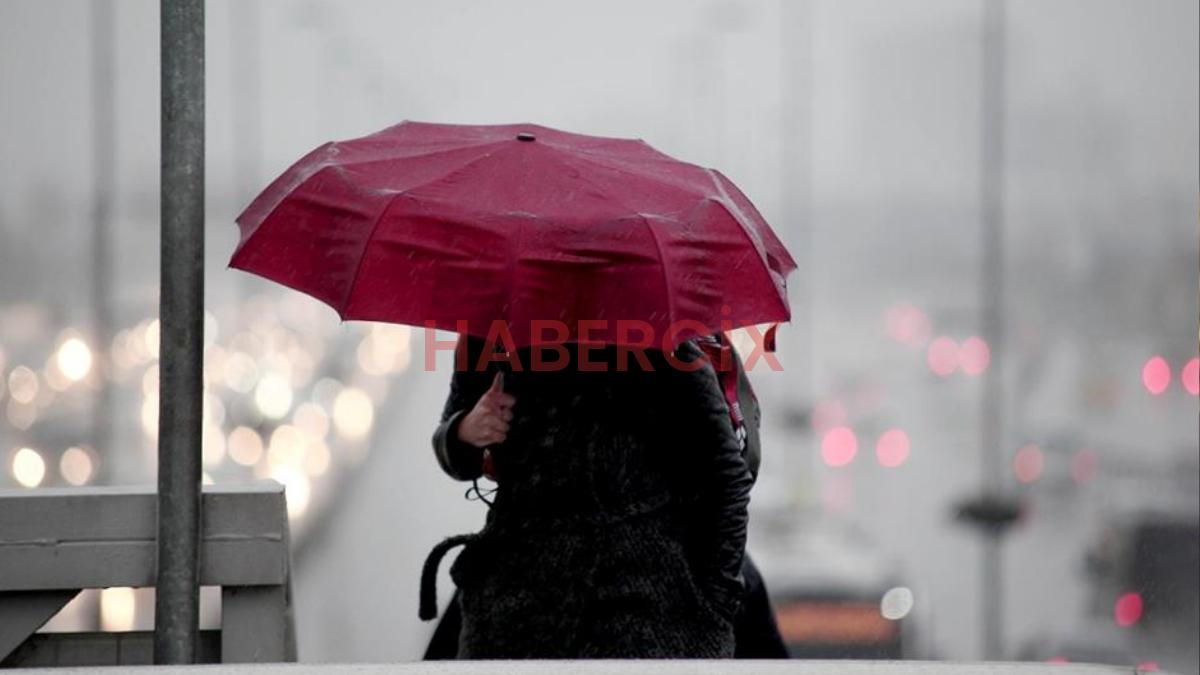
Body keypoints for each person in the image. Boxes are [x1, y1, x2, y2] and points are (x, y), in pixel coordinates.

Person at [419, 335, 753, 658]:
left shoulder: (661, 337)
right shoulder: (492, 330)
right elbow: (454, 449)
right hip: (513, 602)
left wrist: (715, 606)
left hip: (642, 605)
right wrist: (466, 429)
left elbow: (727, 477)